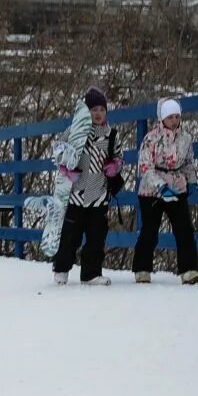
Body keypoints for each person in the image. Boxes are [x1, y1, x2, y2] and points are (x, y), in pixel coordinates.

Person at [53, 87, 124, 286]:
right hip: (76, 193)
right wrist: (66, 168)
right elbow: (58, 151)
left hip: (99, 194)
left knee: (96, 237)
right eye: (94, 109)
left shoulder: (111, 135)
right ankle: (61, 269)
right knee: (70, 235)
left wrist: (115, 166)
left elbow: (119, 156)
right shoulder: (74, 131)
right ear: (86, 112)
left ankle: (91, 273)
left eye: (102, 109)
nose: (98, 113)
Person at [132, 98, 198, 285]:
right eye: (170, 117)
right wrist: (160, 186)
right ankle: (142, 269)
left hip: (177, 186)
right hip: (152, 190)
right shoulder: (151, 138)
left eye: (177, 116)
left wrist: (192, 181)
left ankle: (189, 270)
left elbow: (188, 162)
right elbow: (145, 166)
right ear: (162, 118)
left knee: (184, 229)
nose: (174, 120)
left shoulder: (185, 138)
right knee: (150, 230)